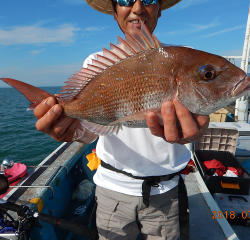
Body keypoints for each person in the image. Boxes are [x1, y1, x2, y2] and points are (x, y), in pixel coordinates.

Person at [34, 0, 209, 239]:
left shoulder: (184, 57)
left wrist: (199, 131)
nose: (137, 8)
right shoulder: (96, 62)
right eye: (125, 0)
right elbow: (92, 133)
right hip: (111, 190)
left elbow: (199, 116)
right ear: (115, 13)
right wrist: (71, 130)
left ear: (159, 8)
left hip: (166, 192)